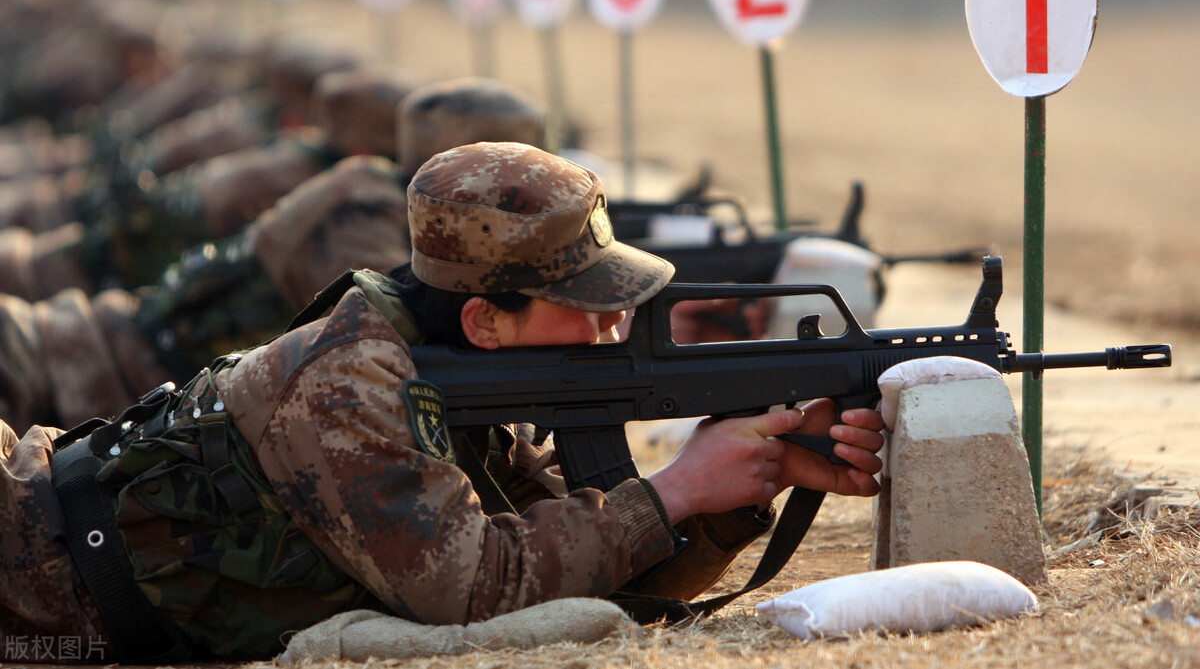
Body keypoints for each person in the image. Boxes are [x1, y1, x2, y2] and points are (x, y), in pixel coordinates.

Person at [0, 141, 884, 663]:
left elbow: (590, 560)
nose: (619, 323)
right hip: (28, 576)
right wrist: (678, 488)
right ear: (485, 321)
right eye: (591, 304)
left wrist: (742, 475)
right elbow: (474, 589)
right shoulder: (348, 384)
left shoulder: (455, 377)